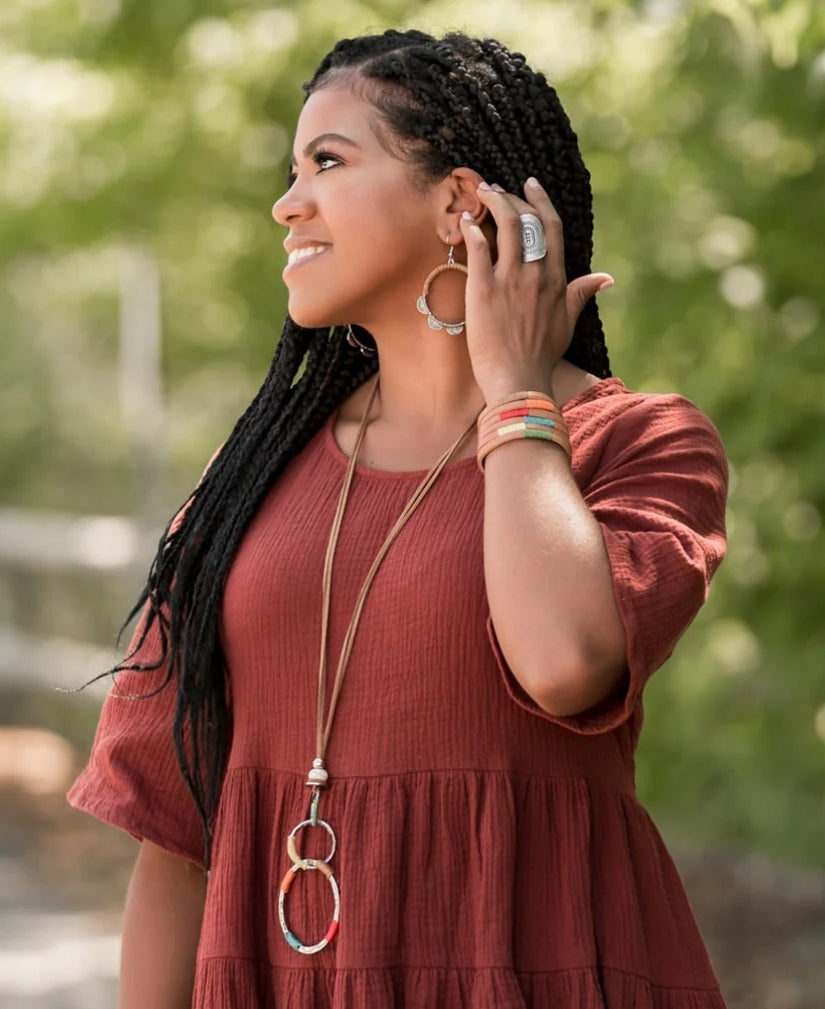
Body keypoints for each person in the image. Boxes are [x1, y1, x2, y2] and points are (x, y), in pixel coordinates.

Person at [68, 27, 729, 1009]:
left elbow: (564, 663)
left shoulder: (634, 441)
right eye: (293, 171)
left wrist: (513, 390)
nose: (287, 202)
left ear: (460, 201)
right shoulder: (246, 481)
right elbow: (176, 834)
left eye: (327, 162)